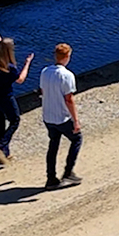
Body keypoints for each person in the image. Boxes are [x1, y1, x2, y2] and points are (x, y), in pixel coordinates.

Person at [40, 42, 81, 189]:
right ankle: (68, 172)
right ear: (67, 57)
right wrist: (75, 121)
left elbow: (43, 91)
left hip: (48, 116)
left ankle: (51, 177)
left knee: (53, 145)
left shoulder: (45, 72)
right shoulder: (67, 75)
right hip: (62, 117)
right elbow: (69, 99)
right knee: (76, 139)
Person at [0, 34, 32, 164]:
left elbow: (0, 51)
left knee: (0, 123)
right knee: (15, 120)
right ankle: (1, 147)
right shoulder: (10, 68)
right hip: (5, 97)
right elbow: (20, 80)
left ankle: (4, 154)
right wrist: (27, 63)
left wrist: (0, 42)